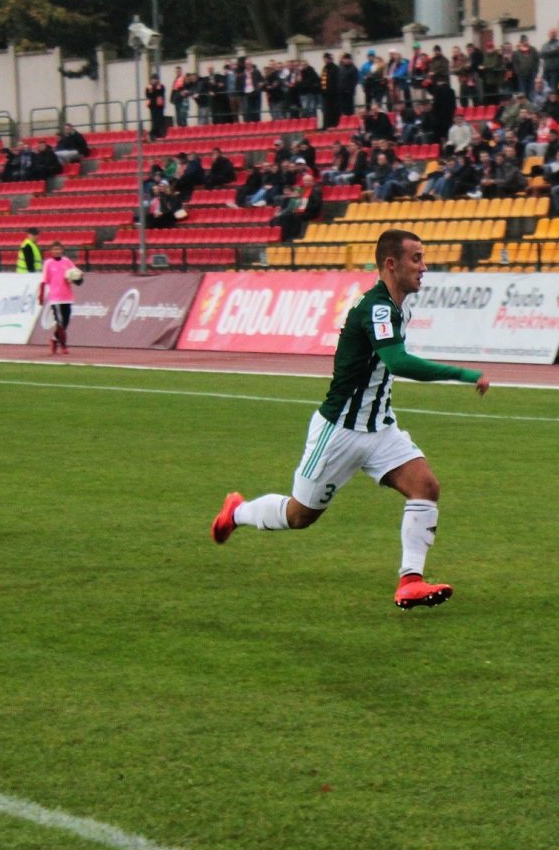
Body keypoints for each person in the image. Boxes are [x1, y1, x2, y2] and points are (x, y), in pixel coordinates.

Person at [211, 230, 492, 609]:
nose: (424, 267)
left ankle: (410, 581)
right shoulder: (377, 309)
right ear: (391, 264)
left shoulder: (398, 308)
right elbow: (397, 362)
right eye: (416, 259)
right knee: (299, 515)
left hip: (380, 429)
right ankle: (237, 512)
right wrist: (463, 374)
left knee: (425, 486)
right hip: (340, 431)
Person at [39, 240, 78, 355]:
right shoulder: (48, 263)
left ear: (62, 250)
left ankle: (54, 339)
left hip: (67, 297)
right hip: (55, 298)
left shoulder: (67, 261)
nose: (57, 251)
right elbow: (44, 280)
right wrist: (41, 295)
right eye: (55, 249)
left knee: (65, 322)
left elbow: (76, 274)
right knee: (60, 322)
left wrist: (77, 279)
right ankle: (64, 346)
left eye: (59, 249)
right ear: (51, 251)